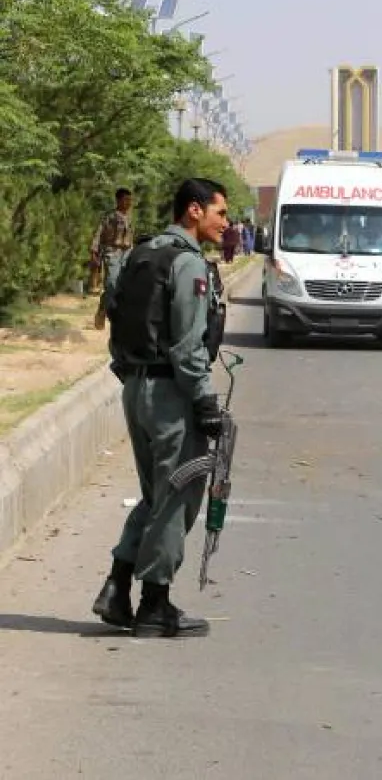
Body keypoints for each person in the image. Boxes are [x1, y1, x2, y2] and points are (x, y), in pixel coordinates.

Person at [92, 178, 230, 638]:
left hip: (136, 388)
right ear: (194, 211)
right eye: (220, 213)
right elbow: (189, 346)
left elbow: (116, 311)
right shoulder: (186, 261)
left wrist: (131, 375)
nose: (225, 223)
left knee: (156, 494)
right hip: (171, 394)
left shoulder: (141, 253)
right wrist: (205, 401)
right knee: (178, 495)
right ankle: (155, 604)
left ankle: (116, 587)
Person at [90, 187, 134, 331]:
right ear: (118, 200)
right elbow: (98, 233)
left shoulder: (130, 217)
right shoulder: (110, 216)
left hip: (127, 253)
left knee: (125, 286)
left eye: (130, 200)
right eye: (125, 199)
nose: (128, 203)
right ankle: (107, 312)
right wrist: (94, 252)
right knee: (112, 284)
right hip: (112, 252)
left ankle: (110, 312)